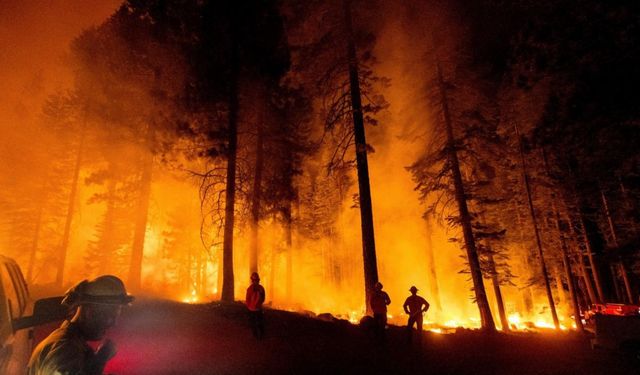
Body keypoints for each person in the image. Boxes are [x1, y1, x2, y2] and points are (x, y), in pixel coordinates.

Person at [28, 275, 134, 375]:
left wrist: (98, 362)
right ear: (89, 312)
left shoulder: (70, 344)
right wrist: (99, 361)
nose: (114, 323)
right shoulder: (65, 350)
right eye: (110, 316)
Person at [245, 272, 266, 340]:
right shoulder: (252, 289)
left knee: (257, 323)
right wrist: (250, 306)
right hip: (254, 309)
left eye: (256, 280)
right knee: (255, 323)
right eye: (254, 280)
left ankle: (260, 336)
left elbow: (262, 298)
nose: (255, 281)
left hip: (255, 309)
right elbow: (248, 299)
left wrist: (250, 306)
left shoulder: (257, 288)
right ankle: (257, 336)